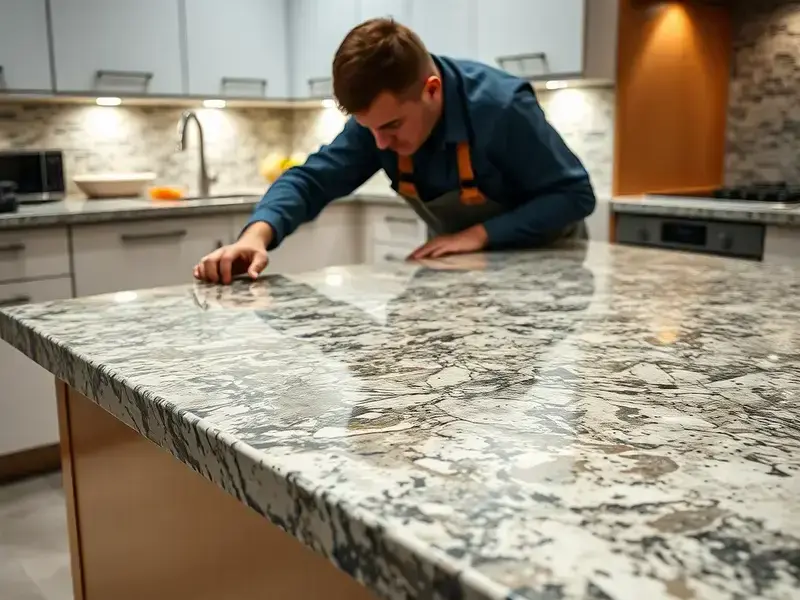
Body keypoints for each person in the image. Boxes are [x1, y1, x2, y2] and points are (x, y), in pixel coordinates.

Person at [193, 18, 596, 285]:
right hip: (461, 275)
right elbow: (311, 179)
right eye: (369, 130)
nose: (380, 143)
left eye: (391, 126)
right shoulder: (378, 123)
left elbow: (575, 195)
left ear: (432, 90)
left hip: (548, 265)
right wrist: (255, 236)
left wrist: (479, 234)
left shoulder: (502, 108)